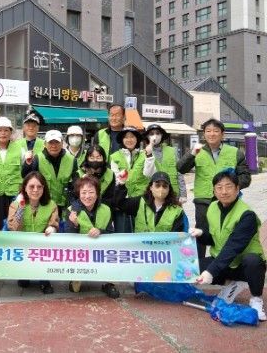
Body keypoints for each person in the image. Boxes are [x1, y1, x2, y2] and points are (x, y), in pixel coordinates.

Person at [192, 169, 266, 321]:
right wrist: (201, 234)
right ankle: (230, 283)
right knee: (192, 267)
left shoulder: (247, 215)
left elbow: (233, 246)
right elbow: (214, 239)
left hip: (242, 266)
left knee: (252, 261)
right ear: (214, 190)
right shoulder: (213, 207)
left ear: (237, 189)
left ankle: (256, 299)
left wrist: (210, 272)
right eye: (219, 187)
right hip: (223, 262)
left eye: (229, 186)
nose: (224, 192)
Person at [177, 118, 251, 259]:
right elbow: (180, 168)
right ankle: (198, 264)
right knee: (200, 232)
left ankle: (226, 262)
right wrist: (192, 154)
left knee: (227, 231)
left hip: (228, 201)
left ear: (222, 134)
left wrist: (230, 187)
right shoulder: (196, 151)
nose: (212, 134)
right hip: (203, 200)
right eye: (208, 131)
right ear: (204, 134)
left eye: (216, 131)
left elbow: (245, 177)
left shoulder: (235, 152)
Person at [66, 176, 119, 299]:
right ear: (79, 194)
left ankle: (109, 283)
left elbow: (111, 232)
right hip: (80, 251)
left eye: (91, 192)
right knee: (75, 290)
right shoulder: (71, 210)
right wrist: (74, 224)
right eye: (83, 192)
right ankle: (75, 278)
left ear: (97, 193)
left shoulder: (106, 209)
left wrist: (100, 231)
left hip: (101, 250)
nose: (87, 196)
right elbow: (69, 237)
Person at [7, 171, 58, 294]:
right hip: (22, 246)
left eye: (39, 187)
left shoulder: (51, 205)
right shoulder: (15, 205)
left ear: (44, 188)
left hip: (42, 246)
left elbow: (54, 224)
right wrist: (21, 208)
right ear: (25, 188)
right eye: (31, 186)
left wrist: (52, 228)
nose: (35, 190)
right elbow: (13, 228)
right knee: (24, 283)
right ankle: (24, 274)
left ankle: (44, 280)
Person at [109, 127, 155, 232]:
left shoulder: (145, 154)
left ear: (137, 139)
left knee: (141, 230)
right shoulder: (115, 156)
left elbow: (149, 174)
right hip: (122, 201)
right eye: (126, 137)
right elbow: (116, 179)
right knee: (123, 232)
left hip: (141, 199)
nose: (129, 140)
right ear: (122, 140)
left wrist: (149, 156)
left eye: (132, 137)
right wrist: (121, 180)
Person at [22, 129, 77, 216]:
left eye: (57, 142)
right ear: (45, 144)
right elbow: (25, 177)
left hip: (64, 206)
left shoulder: (72, 160)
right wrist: (27, 164)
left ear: (62, 143)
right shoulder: (37, 158)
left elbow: (76, 184)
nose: (54, 146)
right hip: (43, 203)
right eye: (50, 142)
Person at [114, 171, 185, 233]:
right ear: (151, 187)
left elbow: (179, 235)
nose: (161, 189)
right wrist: (121, 185)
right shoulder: (139, 202)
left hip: (165, 244)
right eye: (157, 185)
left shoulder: (177, 211)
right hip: (141, 244)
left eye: (165, 186)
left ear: (169, 189)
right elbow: (118, 203)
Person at [144, 124, 187, 202]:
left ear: (162, 135)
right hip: (154, 195)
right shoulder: (144, 153)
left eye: (157, 133)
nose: (155, 136)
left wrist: (183, 194)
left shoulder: (172, 151)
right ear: (147, 137)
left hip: (173, 193)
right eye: (152, 134)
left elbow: (179, 173)